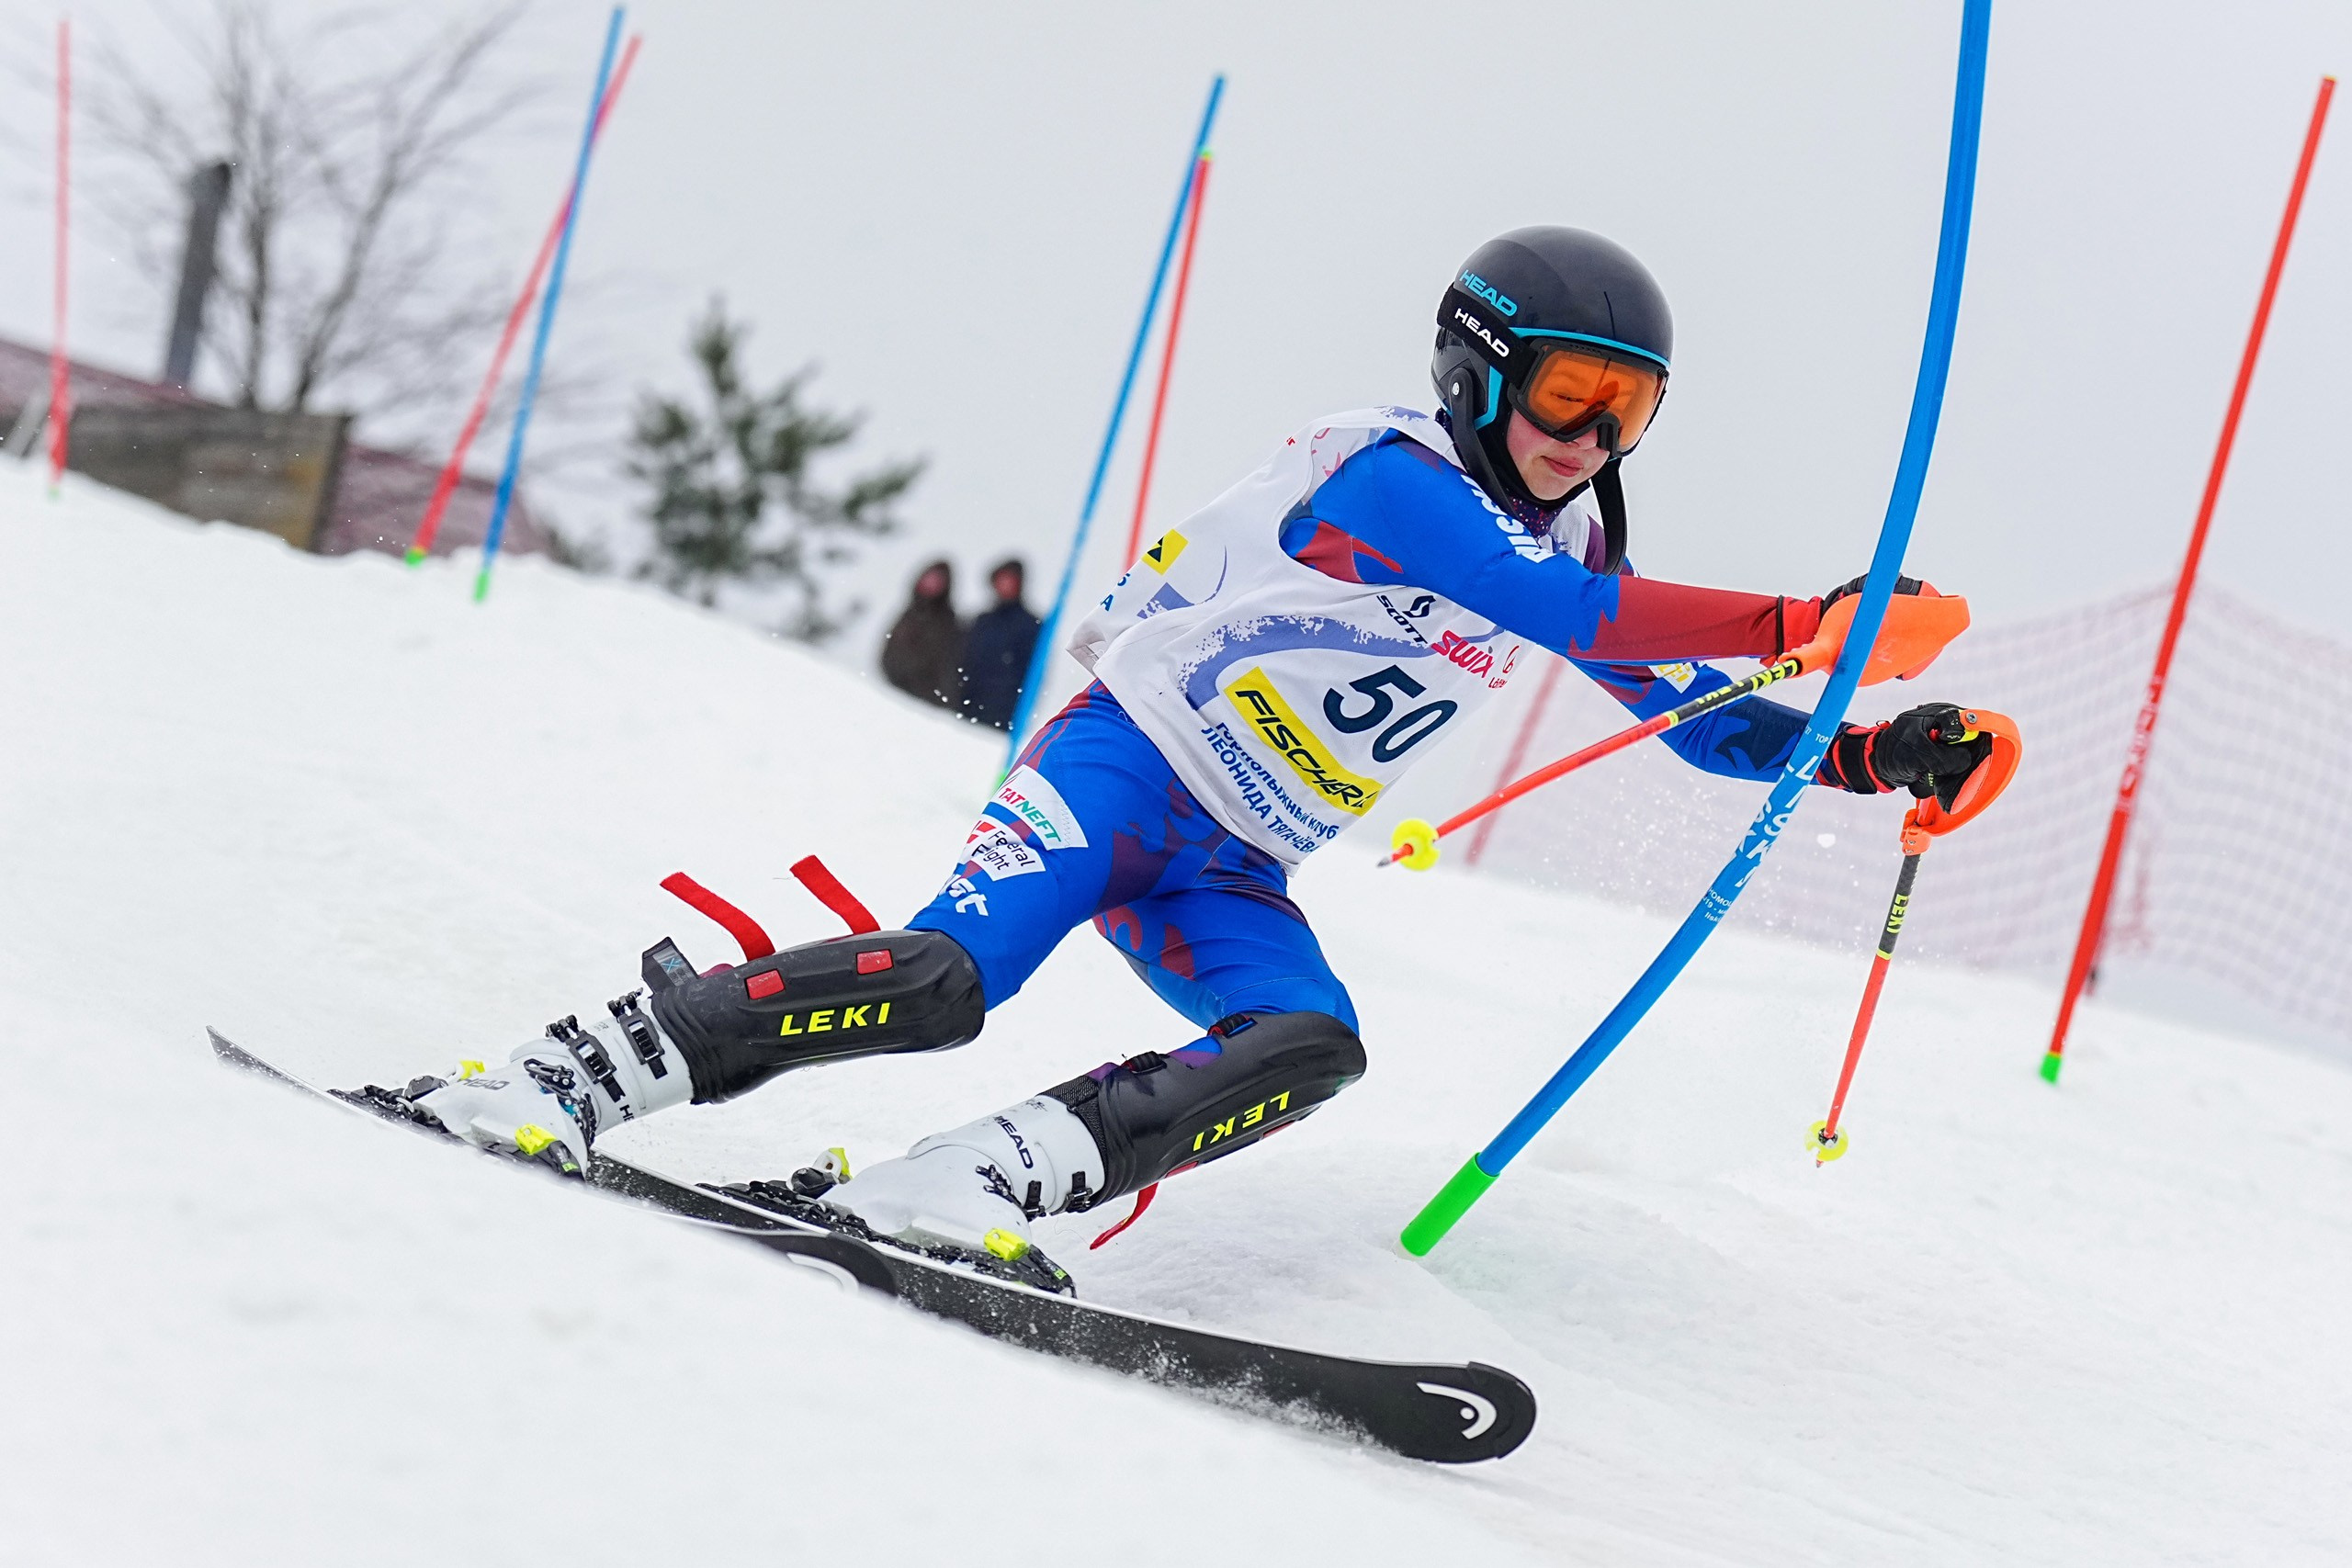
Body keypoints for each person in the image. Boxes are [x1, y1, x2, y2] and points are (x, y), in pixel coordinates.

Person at [392, 228, 1992, 1287]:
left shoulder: (1570, 531)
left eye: (1626, 405)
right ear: (1480, 367)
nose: (1589, 433)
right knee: (948, 982)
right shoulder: (1393, 471)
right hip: (1123, 772)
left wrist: (1866, 749)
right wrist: (1808, 607)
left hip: (1235, 861)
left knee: (1308, 1042)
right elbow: (1549, 604)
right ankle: (558, 1074)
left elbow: (1698, 718)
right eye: (1567, 389)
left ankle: (967, 1183)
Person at [957, 558, 1040, 729]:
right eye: (1002, 580)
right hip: (967, 707)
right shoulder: (982, 620)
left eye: (1011, 580)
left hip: (1003, 715)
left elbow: (1031, 673)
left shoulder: (1031, 625)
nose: (1005, 585)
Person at [879, 559, 964, 709]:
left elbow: (944, 669)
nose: (931, 584)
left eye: (937, 581)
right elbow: (889, 652)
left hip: (923, 703)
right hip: (892, 691)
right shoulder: (909, 614)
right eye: (929, 579)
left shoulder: (947, 622)